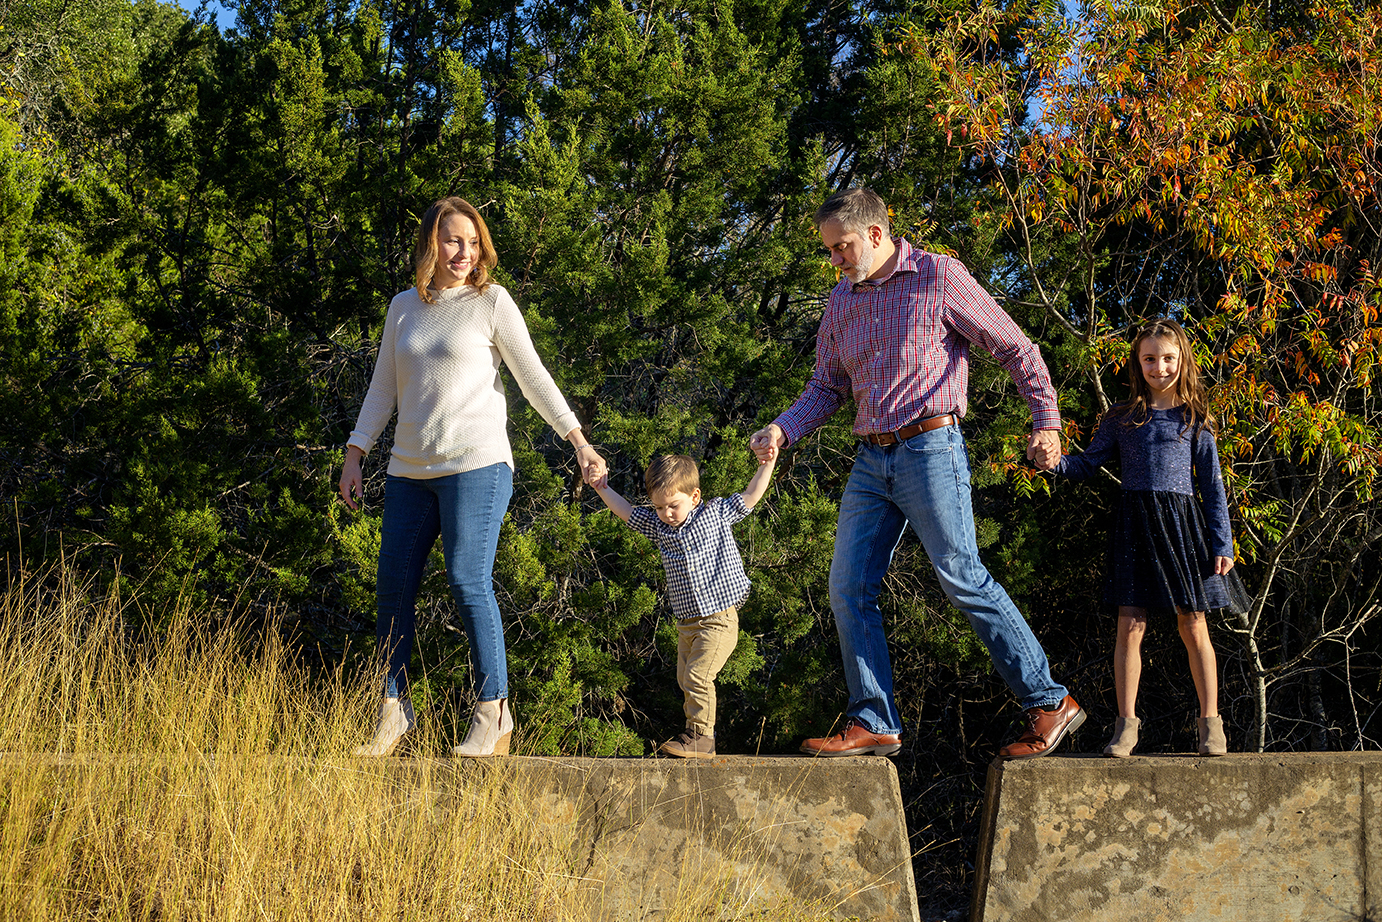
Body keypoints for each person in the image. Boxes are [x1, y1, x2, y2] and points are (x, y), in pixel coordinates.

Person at [750, 187, 1083, 759]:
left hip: (931, 449)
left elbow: (1016, 348)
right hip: (870, 460)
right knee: (848, 588)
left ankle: (1049, 702)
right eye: (830, 251)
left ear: (876, 233)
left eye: (842, 247)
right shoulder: (841, 301)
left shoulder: (938, 277)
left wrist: (1045, 421)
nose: (836, 260)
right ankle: (874, 720)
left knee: (961, 576)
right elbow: (826, 387)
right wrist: (783, 429)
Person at [339, 196, 606, 758]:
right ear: (430, 245)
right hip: (410, 471)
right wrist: (356, 453)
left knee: (466, 579)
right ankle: (393, 710)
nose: (464, 252)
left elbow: (533, 376)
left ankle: (494, 711)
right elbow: (383, 388)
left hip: (478, 466)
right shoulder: (403, 308)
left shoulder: (492, 302)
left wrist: (577, 441)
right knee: (393, 589)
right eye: (452, 240)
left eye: (472, 241)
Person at [1053, 319, 1249, 757]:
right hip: (1135, 524)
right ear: (1137, 362)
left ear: (1182, 361)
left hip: (1183, 528)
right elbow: (1085, 465)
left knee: (1194, 623)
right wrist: (1052, 460)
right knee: (1131, 625)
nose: (1159, 367)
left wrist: (1223, 543)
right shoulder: (1121, 417)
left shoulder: (1195, 418)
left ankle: (1211, 725)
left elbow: (1212, 486)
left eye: (1167, 358)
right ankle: (1126, 727)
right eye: (1149, 359)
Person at [592, 449, 778, 759]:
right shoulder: (659, 528)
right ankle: (694, 732)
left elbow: (751, 494)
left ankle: (702, 737)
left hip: (718, 618)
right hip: (687, 623)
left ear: (694, 496)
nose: (667, 513)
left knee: (698, 677)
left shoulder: (715, 514)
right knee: (684, 679)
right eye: (660, 507)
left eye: (673, 505)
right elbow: (627, 512)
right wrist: (602, 487)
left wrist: (767, 463)